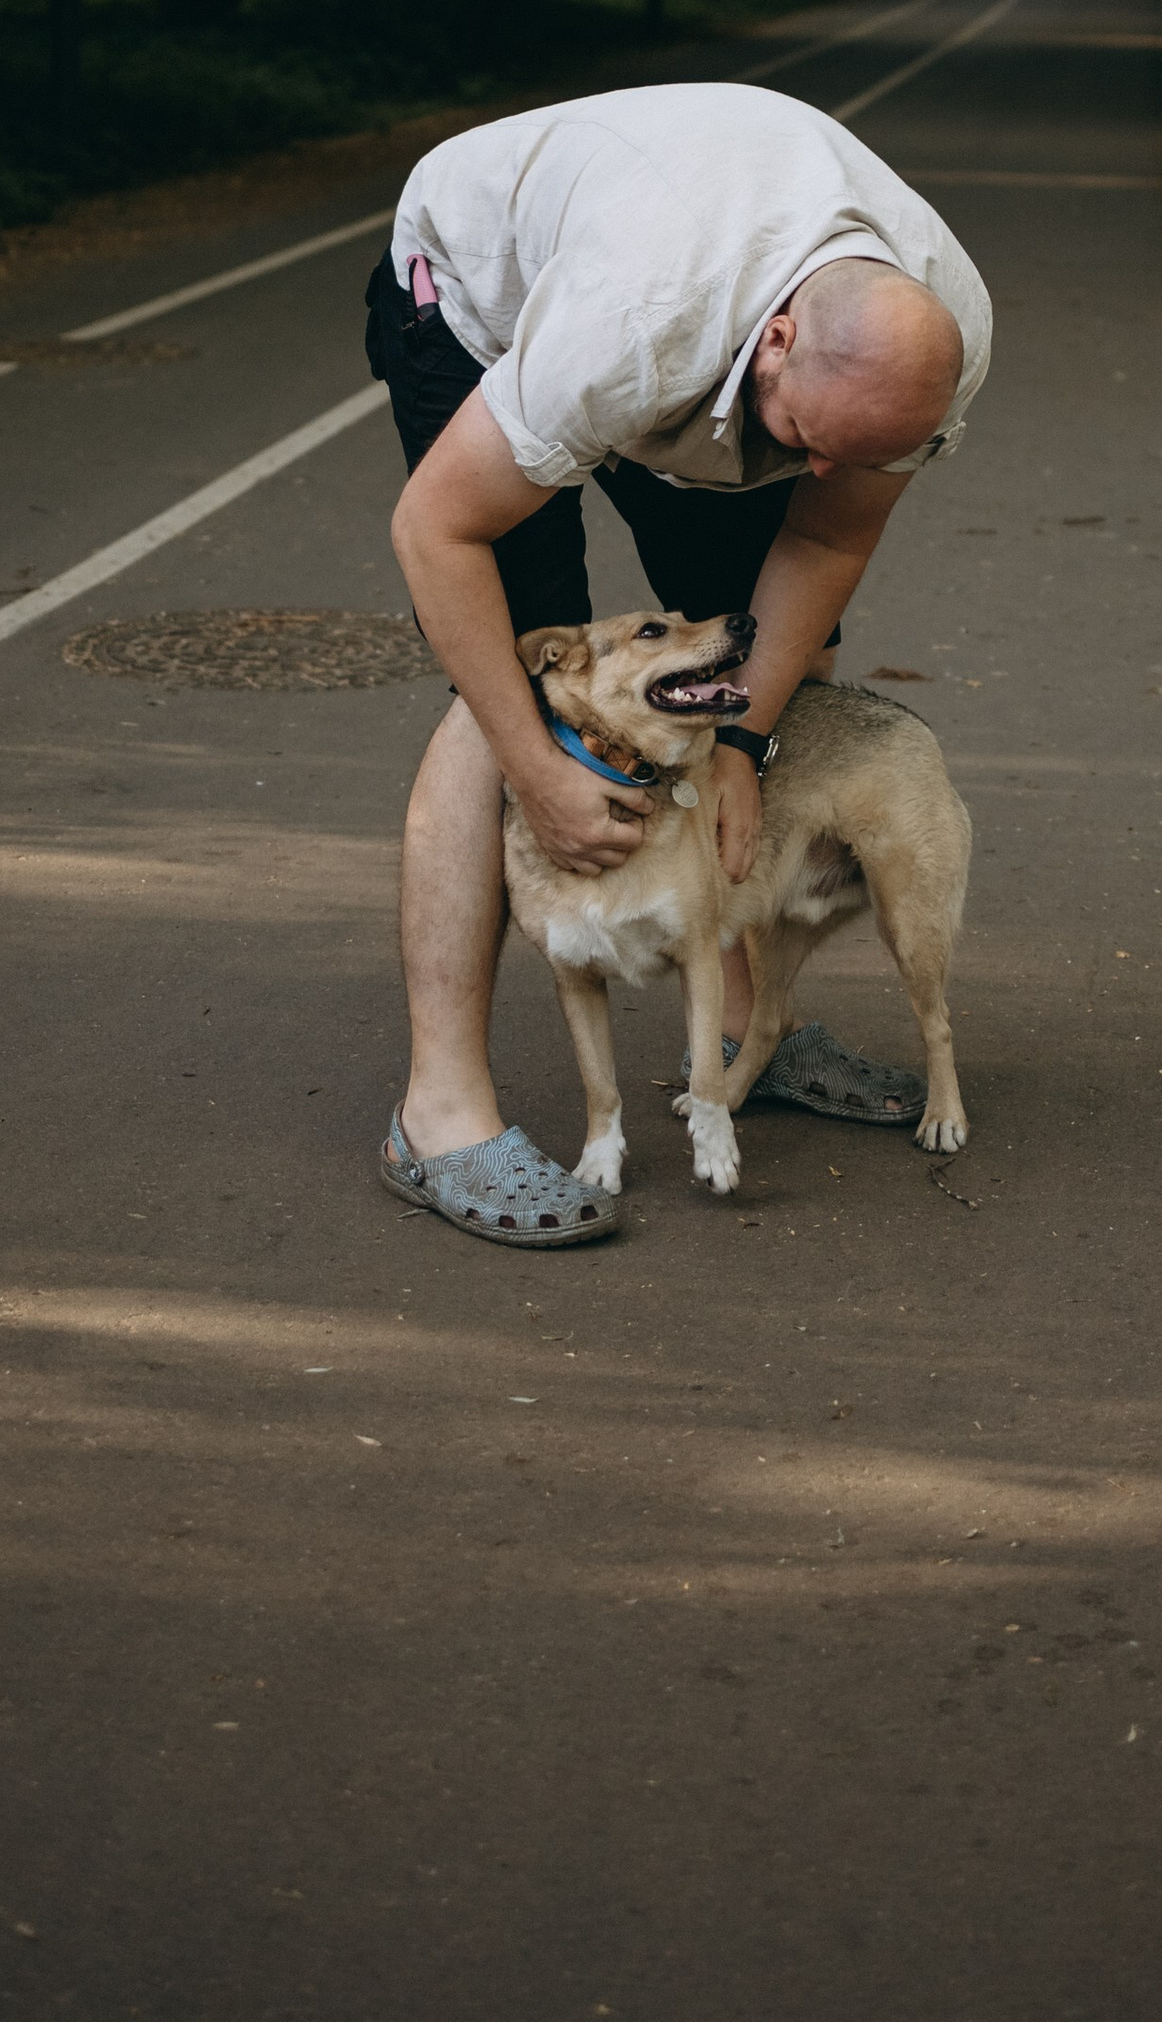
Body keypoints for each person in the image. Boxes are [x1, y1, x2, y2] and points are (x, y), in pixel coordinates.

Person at [364, 80, 991, 1244]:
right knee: (522, 693)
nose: (813, 471)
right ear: (781, 342)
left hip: (712, 347)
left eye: (842, 453)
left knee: (747, 647)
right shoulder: (631, 326)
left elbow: (829, 531)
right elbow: (432, 532)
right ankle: (437, 1112)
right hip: (484, 305)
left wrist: (745, 740)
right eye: (805, 441)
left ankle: (744, 1036)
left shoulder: (925, 347)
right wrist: (540, 768)